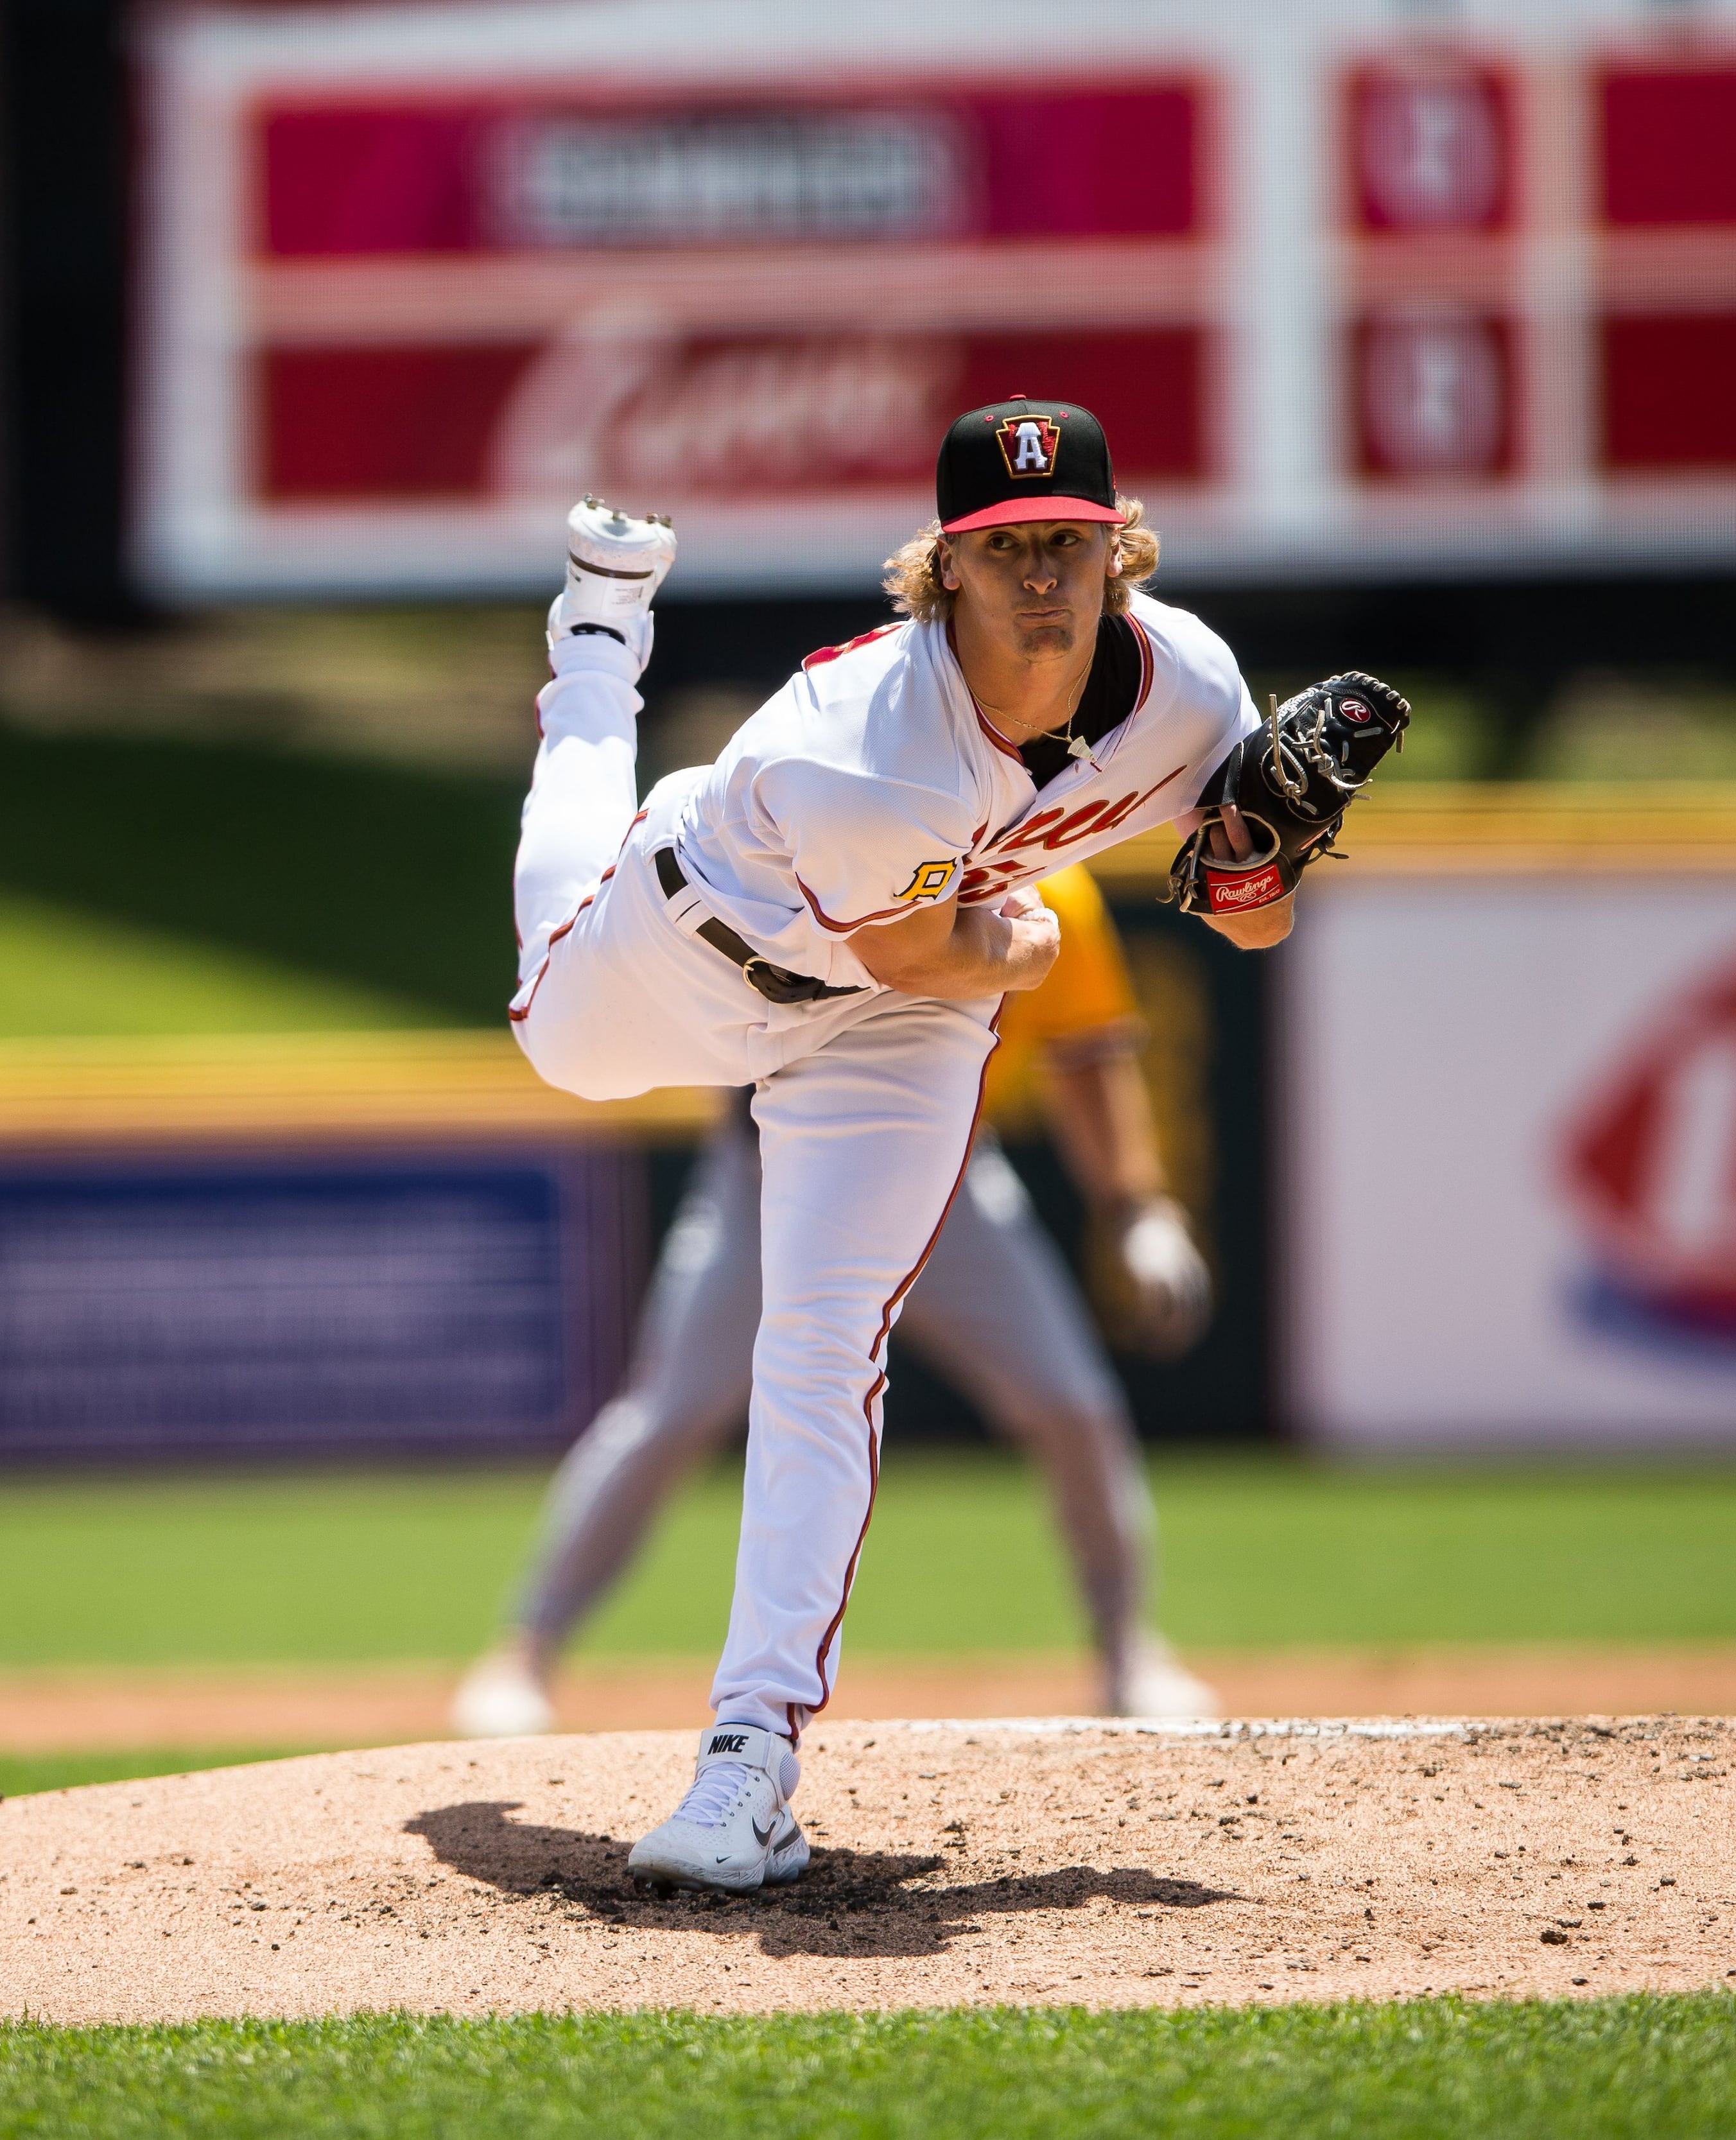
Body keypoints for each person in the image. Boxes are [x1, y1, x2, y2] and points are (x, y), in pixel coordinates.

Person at [505, 397, 1321, 1894]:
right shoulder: (866, 743)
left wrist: (1265, 857)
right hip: (703, 942)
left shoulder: (1194, 684)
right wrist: (1010, 955)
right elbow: (921, 949)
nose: (1036, 577)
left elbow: (1247, 916)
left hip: (891, 1024)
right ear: (939, 569)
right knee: (552, 1034)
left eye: (1066, 542)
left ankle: (748, 1757)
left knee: (821, 1344)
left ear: (1118, 548)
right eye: (998, 547)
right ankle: (596, 658)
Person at [454, 856, 1224, 1742]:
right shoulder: (850, 847)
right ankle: (527, 1650)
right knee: (668, 1413)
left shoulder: (1061, 893)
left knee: (1073, 1404)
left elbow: (1088, 1052)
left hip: (951, 1186)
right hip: (776, 1177)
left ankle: (1128, 1648)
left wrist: (1139, 1207)